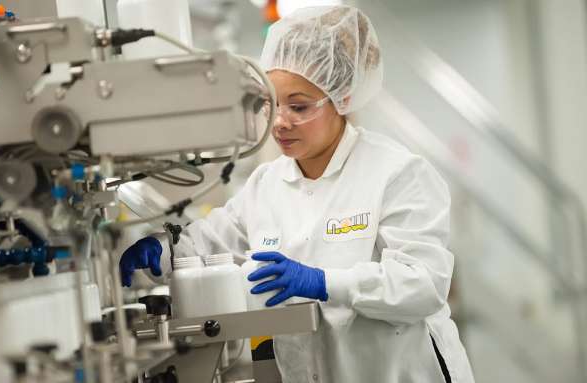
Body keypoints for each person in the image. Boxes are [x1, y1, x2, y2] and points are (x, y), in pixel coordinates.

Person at [120, 5, 475, 383]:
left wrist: (323, 282)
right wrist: (164, 249)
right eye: (271, 104)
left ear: (343, 99)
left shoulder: (397, 173)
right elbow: (208, 241)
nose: (279, 122)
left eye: (299, 107)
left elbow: (423, 285)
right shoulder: (266, 184)